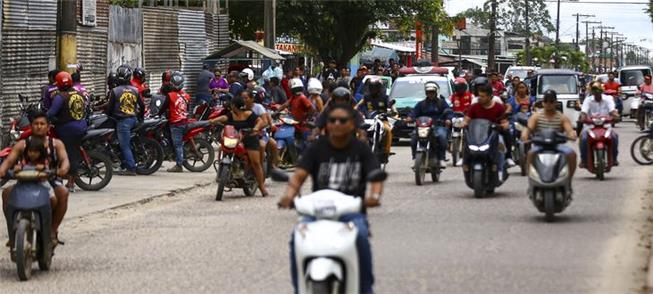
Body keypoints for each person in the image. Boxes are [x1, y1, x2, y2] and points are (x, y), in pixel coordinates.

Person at [278, 104, 384, 294]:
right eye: (332, 120)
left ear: (352, 125)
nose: (336, 124)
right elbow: (299, 176)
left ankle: (365, 288)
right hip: (318, 212)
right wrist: (288, 195)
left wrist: (374, 196)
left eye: (342, 120)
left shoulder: (361, 149)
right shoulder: (316, 148)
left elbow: (376, 176)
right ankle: (299, 289)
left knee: (360, 234)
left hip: (350, 212)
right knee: (297, 236)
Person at [1, 112, 70, 247]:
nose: (39, 127)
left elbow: (64, 160)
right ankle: (12, 233)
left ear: (48, 127)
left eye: (42, 124)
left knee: (62, 193)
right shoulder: (22, 144)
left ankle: (52, 229)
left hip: (49, 180)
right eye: (36, 124)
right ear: (31, 126)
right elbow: (8, 161)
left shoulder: (56, 144)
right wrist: (3, 170)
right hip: (24, 180)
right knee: (6, 193)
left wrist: (62, 170)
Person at [210, 96, 268, 196]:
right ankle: (224, 172)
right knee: (221, 148)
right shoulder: (231, 114)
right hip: (235, 138)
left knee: (255, 162)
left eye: (231, 105)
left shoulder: (249, 114)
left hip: (250, 138)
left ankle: (262, 188)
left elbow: (260, 121)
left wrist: (256, 128)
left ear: (234, 106)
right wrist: (212, 121)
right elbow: (224, 118)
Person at [521, 90, 577, 179]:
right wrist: (525, 135)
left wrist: (572, 135)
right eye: (546, 101)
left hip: (557, 147)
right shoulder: (536, 116)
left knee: (571, 154)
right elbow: (528, 128)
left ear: (555, 103)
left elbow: (569, 130)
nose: (548, 104)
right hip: (540, 146)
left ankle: (568, 180)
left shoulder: (562, 117)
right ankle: (531, 179)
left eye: (551, 101)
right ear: (543, 103)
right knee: (530, 154)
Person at [46, 71, 88, 191]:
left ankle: (70, 184)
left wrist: (43, 116)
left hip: (68, 129)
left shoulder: (60, 96)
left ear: (58, 83)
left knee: (69, 154)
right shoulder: (79, 93)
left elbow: (51, 113)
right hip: (81, 125)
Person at [462, 84, 511, 180]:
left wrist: (504, 126)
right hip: (477, 135)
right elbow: (467, 120)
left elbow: (504, 122)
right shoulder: (474, 107)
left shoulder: (499, 107)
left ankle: (500, 170)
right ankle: (465, 162)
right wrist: (463, 123)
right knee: (467, 141)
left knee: (500, 145)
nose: (480, 98)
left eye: (483, 96)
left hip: (494, 134)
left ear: (490, 96)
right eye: (479, 95)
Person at [105, 65, 145, 176]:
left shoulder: (115, 91)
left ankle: (131, 168)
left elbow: (109, 108)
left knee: (124, 145)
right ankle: (124, 164)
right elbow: (142, 106)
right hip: (133, 119)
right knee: (124, 143)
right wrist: (140, 118)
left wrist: (108, 115)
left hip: (123, 122)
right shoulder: (135, 90)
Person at [406, 82, 451, 166]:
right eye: (429, 92)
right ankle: (415, 158)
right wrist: (409, 118)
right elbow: (414, 112)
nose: (431, 94)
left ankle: (441, 158)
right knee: (413, 139)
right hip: (423, 126)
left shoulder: (442, 103)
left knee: (442, 137)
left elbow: (448, 112)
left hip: (438, 126)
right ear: (426, 93)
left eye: (432, 92)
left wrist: (448, 119)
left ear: (436, 92)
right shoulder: (421, 104)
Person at [579, 82, 620, 167]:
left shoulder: (608, 99)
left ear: (602, 91)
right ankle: (584, 160)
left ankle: (614, 158)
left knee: (614, 137)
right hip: (590, 127)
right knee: (583, 138)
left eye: (598, 90)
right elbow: (583, 113)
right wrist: (582, 118)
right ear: (592, 92)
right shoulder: (588, 100)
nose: (597, 93)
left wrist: (616, 116)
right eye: (594, 91)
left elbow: (612, 111)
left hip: (605, 127)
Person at [156, 72, 191, 173]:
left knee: (178, 144)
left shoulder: (170, 95)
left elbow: (164, 107)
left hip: (176, 123)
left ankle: (179, 165)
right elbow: (187, 108)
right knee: (179, 143)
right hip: (185, 121)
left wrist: (157, 114)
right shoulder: (187, 95)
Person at [355, 77, 394, 162]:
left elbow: (391, 105)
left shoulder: (385, 97)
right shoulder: (366, 97)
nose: (373, 89)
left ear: (379, 87)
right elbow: (357, 106)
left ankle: (386, 152)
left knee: (388, 130)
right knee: (358, 132)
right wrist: (353, 110)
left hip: (382, 120)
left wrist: (393, 110)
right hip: (368, 120)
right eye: (372, 87)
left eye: (375, 87)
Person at [244, 90, 279, 168]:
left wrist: (256, 128)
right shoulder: (241, 107)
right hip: (244, 134)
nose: (244, 100)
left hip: (259, 133)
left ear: (252, 98)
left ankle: (260, 165)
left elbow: (265, 121)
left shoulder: (259, 107)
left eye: (246, 98)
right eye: (242, 98)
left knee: (263, 145)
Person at [277, 78, 315, 144]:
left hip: (302, 125)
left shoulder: (302, 98)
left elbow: (312, 109)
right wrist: (277, 111)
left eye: (290, 88)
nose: (289, 90)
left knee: (305, 143)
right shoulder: (294, 97)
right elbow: (286, 104)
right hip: (295, 123)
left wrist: (307, 118)